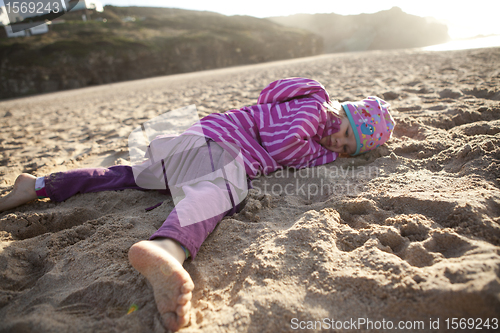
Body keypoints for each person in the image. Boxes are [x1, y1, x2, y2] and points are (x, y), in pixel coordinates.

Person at [0, 77, 395, 331]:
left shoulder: (308, 105)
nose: (336, 145)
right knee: (220, 191)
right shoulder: (313, 111)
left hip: (194, 141)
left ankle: (36, 185)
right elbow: (285, 147)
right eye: (344, 133)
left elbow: (268, 95)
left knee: (131, 175)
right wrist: (324, 150)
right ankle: (165, 247)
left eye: (345, 148)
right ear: (343, 111)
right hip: (218, 146)